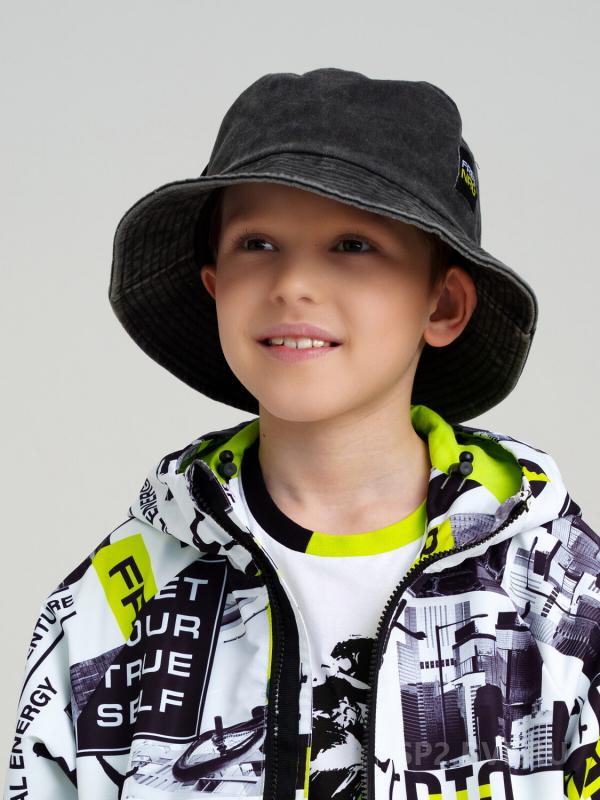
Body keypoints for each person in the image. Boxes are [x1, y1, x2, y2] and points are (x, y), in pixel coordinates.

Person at [3, 67, 598, 800]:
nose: (292, 284)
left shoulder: (563, 594)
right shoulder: (118, 602)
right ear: (215, 287)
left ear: (442, 304)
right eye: (257, 243)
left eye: (353, 244)